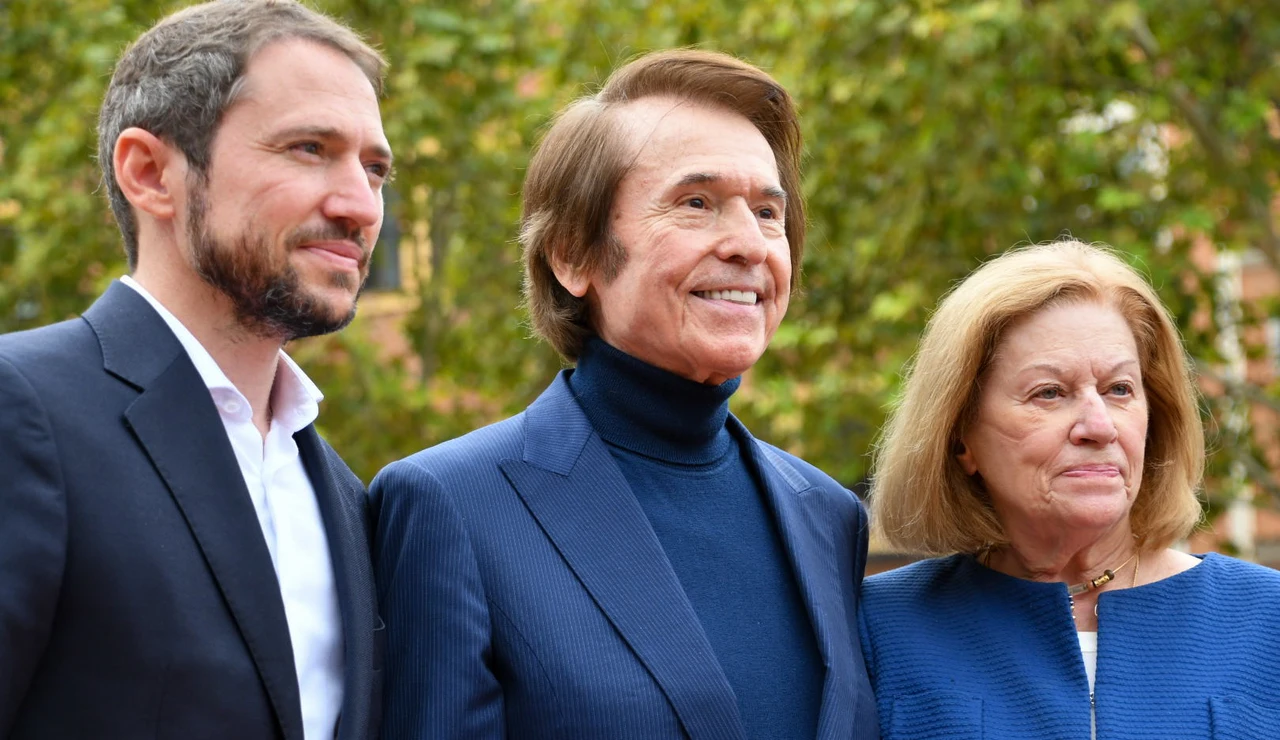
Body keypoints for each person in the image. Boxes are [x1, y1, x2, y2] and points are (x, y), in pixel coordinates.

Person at [371, 49, 879, 740]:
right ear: (574, 255)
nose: (748, 244)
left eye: (767, 212)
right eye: (696, 203)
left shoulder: (828, 516)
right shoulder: (451, 506)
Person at [0, 2, 393, 738]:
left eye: (375, 169)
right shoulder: (20, 410)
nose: (361, 205)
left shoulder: (346, 493)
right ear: (150, 173)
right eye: (310, 148)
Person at [860, 239, 1280, 738]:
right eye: (1050, 393)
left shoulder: (1264, 619)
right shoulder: (881, 628)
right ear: (960, 438)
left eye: (1119, 389)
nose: (1099, 426)